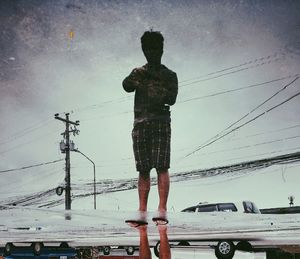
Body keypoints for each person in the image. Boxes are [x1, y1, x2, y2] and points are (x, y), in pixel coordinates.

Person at [123, 30, 178, 224]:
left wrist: (151, 85)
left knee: (162, 166)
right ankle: (142, 211)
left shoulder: (170, 75)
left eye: (155, 48)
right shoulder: (139, 72)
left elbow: (172, 98)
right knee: (143, 168)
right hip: (141, 123)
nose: (152, 52)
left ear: (161, 49)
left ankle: (162, 209)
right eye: (148, 48)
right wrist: (139, 75)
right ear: (144, 50)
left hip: (161, 122)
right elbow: (126, 85)